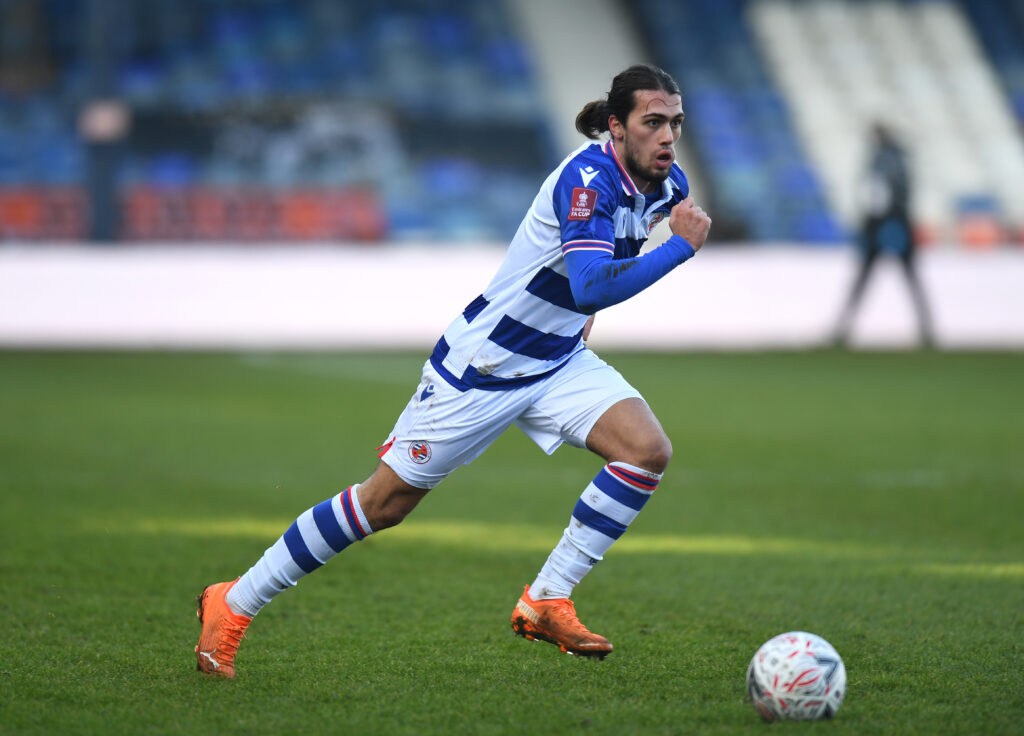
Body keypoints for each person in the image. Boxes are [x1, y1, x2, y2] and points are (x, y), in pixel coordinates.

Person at [195, 64, 712, 677]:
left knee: (645, 450)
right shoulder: (587, 180)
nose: (667, 136)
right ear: (615, 126)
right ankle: (234, 602)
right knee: (382, 505)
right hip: (484, 366)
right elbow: (592, 280)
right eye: (652, 122)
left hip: (556, 359)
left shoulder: (664, 184)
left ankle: (547, 598)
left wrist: (582, 320)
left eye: (674, 123)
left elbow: (595, 276)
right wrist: (678, 249)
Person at [832, 122, 934, 347]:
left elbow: (877, 196)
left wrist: (874, 223)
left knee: (866, 278)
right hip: (896, 221)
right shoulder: (899, 158)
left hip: (884, 224)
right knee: (908, 278)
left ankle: (842, 329)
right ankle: (927, 329)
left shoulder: (883, 159)